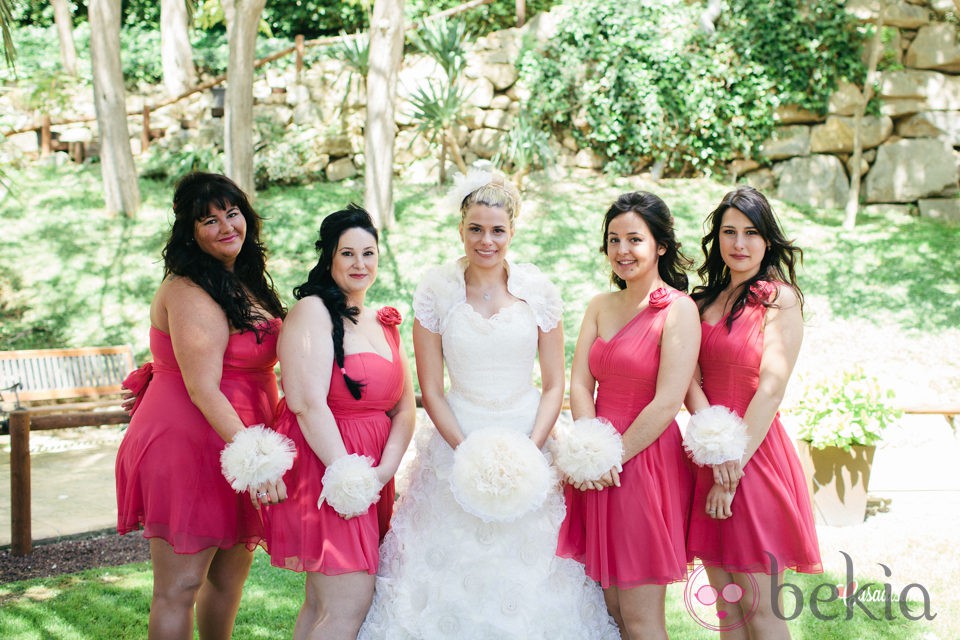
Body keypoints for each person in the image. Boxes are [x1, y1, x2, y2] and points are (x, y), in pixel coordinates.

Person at [359, 171, 619, 639]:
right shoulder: (436, 290)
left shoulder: (537, 290)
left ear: (512, 232)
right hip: (455, 436)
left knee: (530, 568)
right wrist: (465, 450)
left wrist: (529, 449)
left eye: (497, 230)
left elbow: (554, 383)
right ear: (461, 229)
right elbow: (431, 389)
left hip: (528, 434)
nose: (486, 240)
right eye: (476, 228)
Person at [115, 172, 288, 639]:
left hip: (240, 435)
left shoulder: (244, 279)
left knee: (229, 581)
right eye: (208, 220)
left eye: (231, 214)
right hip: (191, 441)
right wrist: (256, 459)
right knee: (181, 585)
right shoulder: (190, 289)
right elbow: (203, 388)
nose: (226, 226)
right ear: (189, 232)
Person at [263, 204, 416, 640]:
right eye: (347, 253)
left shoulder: (383, 322)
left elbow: (404, 409)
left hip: (372, 473)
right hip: (329, 468)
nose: (359, 263)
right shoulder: (312, 311)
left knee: (323, 605)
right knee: (348, 603)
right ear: (328, 256)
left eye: (368, 253)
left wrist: (383, 471)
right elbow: (307, 402)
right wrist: (347, 475)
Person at [556, 191, 701, 640]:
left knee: (639, 618)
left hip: (643, 462)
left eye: (634, 239)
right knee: (610, 611)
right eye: (613, 240)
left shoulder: (679, 309)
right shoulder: (599, 305)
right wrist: (590, 448)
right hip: (595, 462)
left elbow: (668, 399)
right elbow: (579, 382)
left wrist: (612, 456)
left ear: (660, 245)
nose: (622, 251)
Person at [683, 186, 821, 638]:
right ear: (716, 239)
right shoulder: (702, 303)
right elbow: (689, 381)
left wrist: (733, 466)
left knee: (761, 611)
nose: (738, 244)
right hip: (708, 458)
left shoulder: (780, 299)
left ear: (767, 240)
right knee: (729, 612)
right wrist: (713, 453)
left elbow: (771, 389)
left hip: (753, 457)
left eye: (750, 232)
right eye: (728, 232)